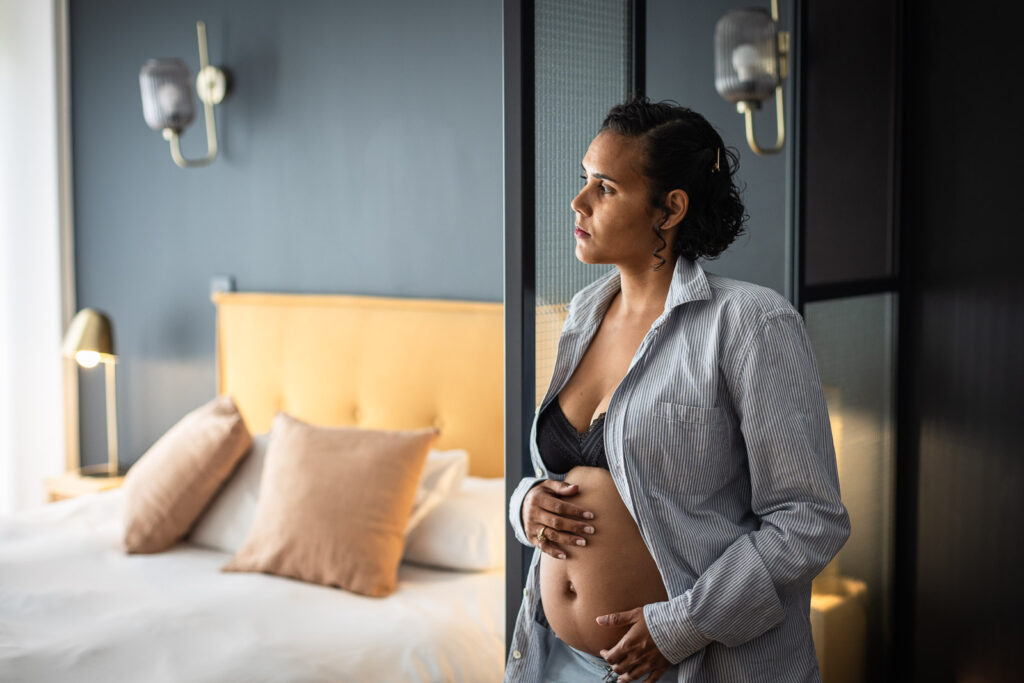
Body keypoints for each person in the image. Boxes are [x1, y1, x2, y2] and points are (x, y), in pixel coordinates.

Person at [504, 96, 851, 682]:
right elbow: (575, 474)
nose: (579, 201)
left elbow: (809, 519)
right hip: (558, 660)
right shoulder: (584, 314)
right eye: (583, 180)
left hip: (693, 663)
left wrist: (682, 627)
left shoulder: (750, 322)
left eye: (605, 188)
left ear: (669, 210)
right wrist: (524, 505)